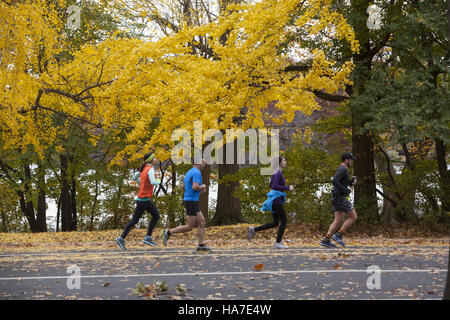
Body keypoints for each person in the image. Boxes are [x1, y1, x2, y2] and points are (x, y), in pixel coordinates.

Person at [115, 152, 161, 250]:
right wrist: (159, 181)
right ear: (151, 160)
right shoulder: (150, 169)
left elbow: (133, 178)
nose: (155, 159)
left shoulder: (143, 168)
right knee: (136, 220)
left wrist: (142, 183)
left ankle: (147, 237)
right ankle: (121, 238)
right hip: (144, 199)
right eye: (154, 158)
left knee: (155, 216)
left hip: (143, 199)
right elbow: (153, 182)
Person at [162, 159, 211, 251]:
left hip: (190, 200)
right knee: (189, 226)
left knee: (201, 222)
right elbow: (195, 187)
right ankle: (168, 233)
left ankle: (200, 245)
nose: (204, 165)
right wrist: (202, 187)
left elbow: (184, 186)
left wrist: (197, 192)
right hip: (191, 201)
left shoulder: (189, 172)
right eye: (203, 163)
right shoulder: (197, 173)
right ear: (198, 162)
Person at [248, 156, 294, 249]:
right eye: (284, 160)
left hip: (275, 200)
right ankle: (278, 243)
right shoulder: (278, 173)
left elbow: (271, 184)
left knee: (275, 223)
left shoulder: (276, 173)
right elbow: (274, 185)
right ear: (279, 162)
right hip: (276, 201)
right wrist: (287, 187)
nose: (285, 162)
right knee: (284, 221)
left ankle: (253, 230)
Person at [320, 152, 358, 248]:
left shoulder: (343, 169)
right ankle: (338, 235)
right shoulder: (343, 169)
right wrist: (345, 190)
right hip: (340, 197)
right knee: (353, 216)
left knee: (338, 220)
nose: (352, 162)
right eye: (351, 160)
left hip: (336, 197)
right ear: (346, 160)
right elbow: (334, 180)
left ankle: (326, 239)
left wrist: (350, 183)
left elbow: (340, 182)